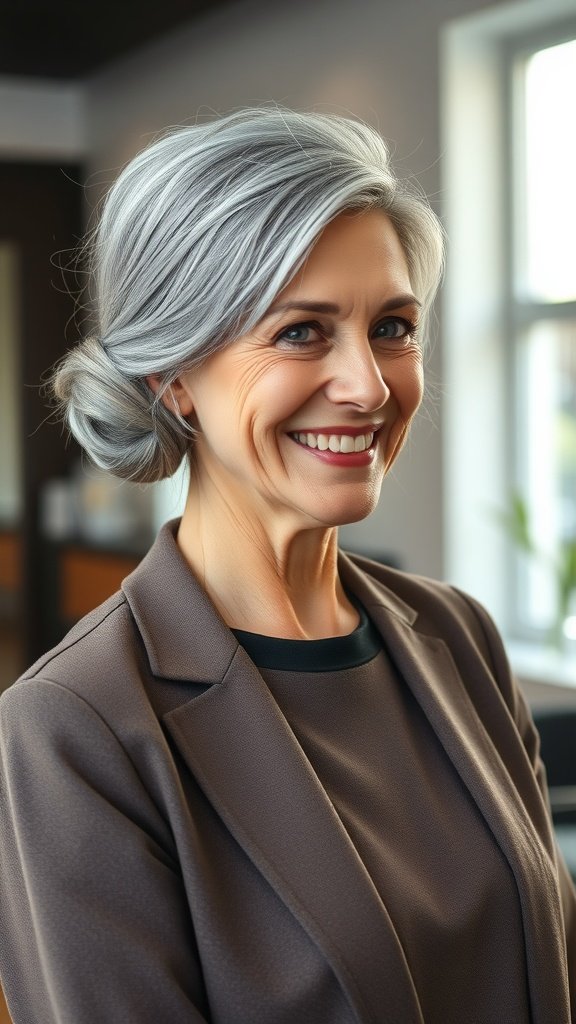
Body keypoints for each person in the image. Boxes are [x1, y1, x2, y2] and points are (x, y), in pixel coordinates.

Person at [0, 108, 573, 1024]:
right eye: (303, 332)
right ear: (173, 374)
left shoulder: (459, 636)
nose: (371, 384)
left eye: (393, 325)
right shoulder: (78, 728)